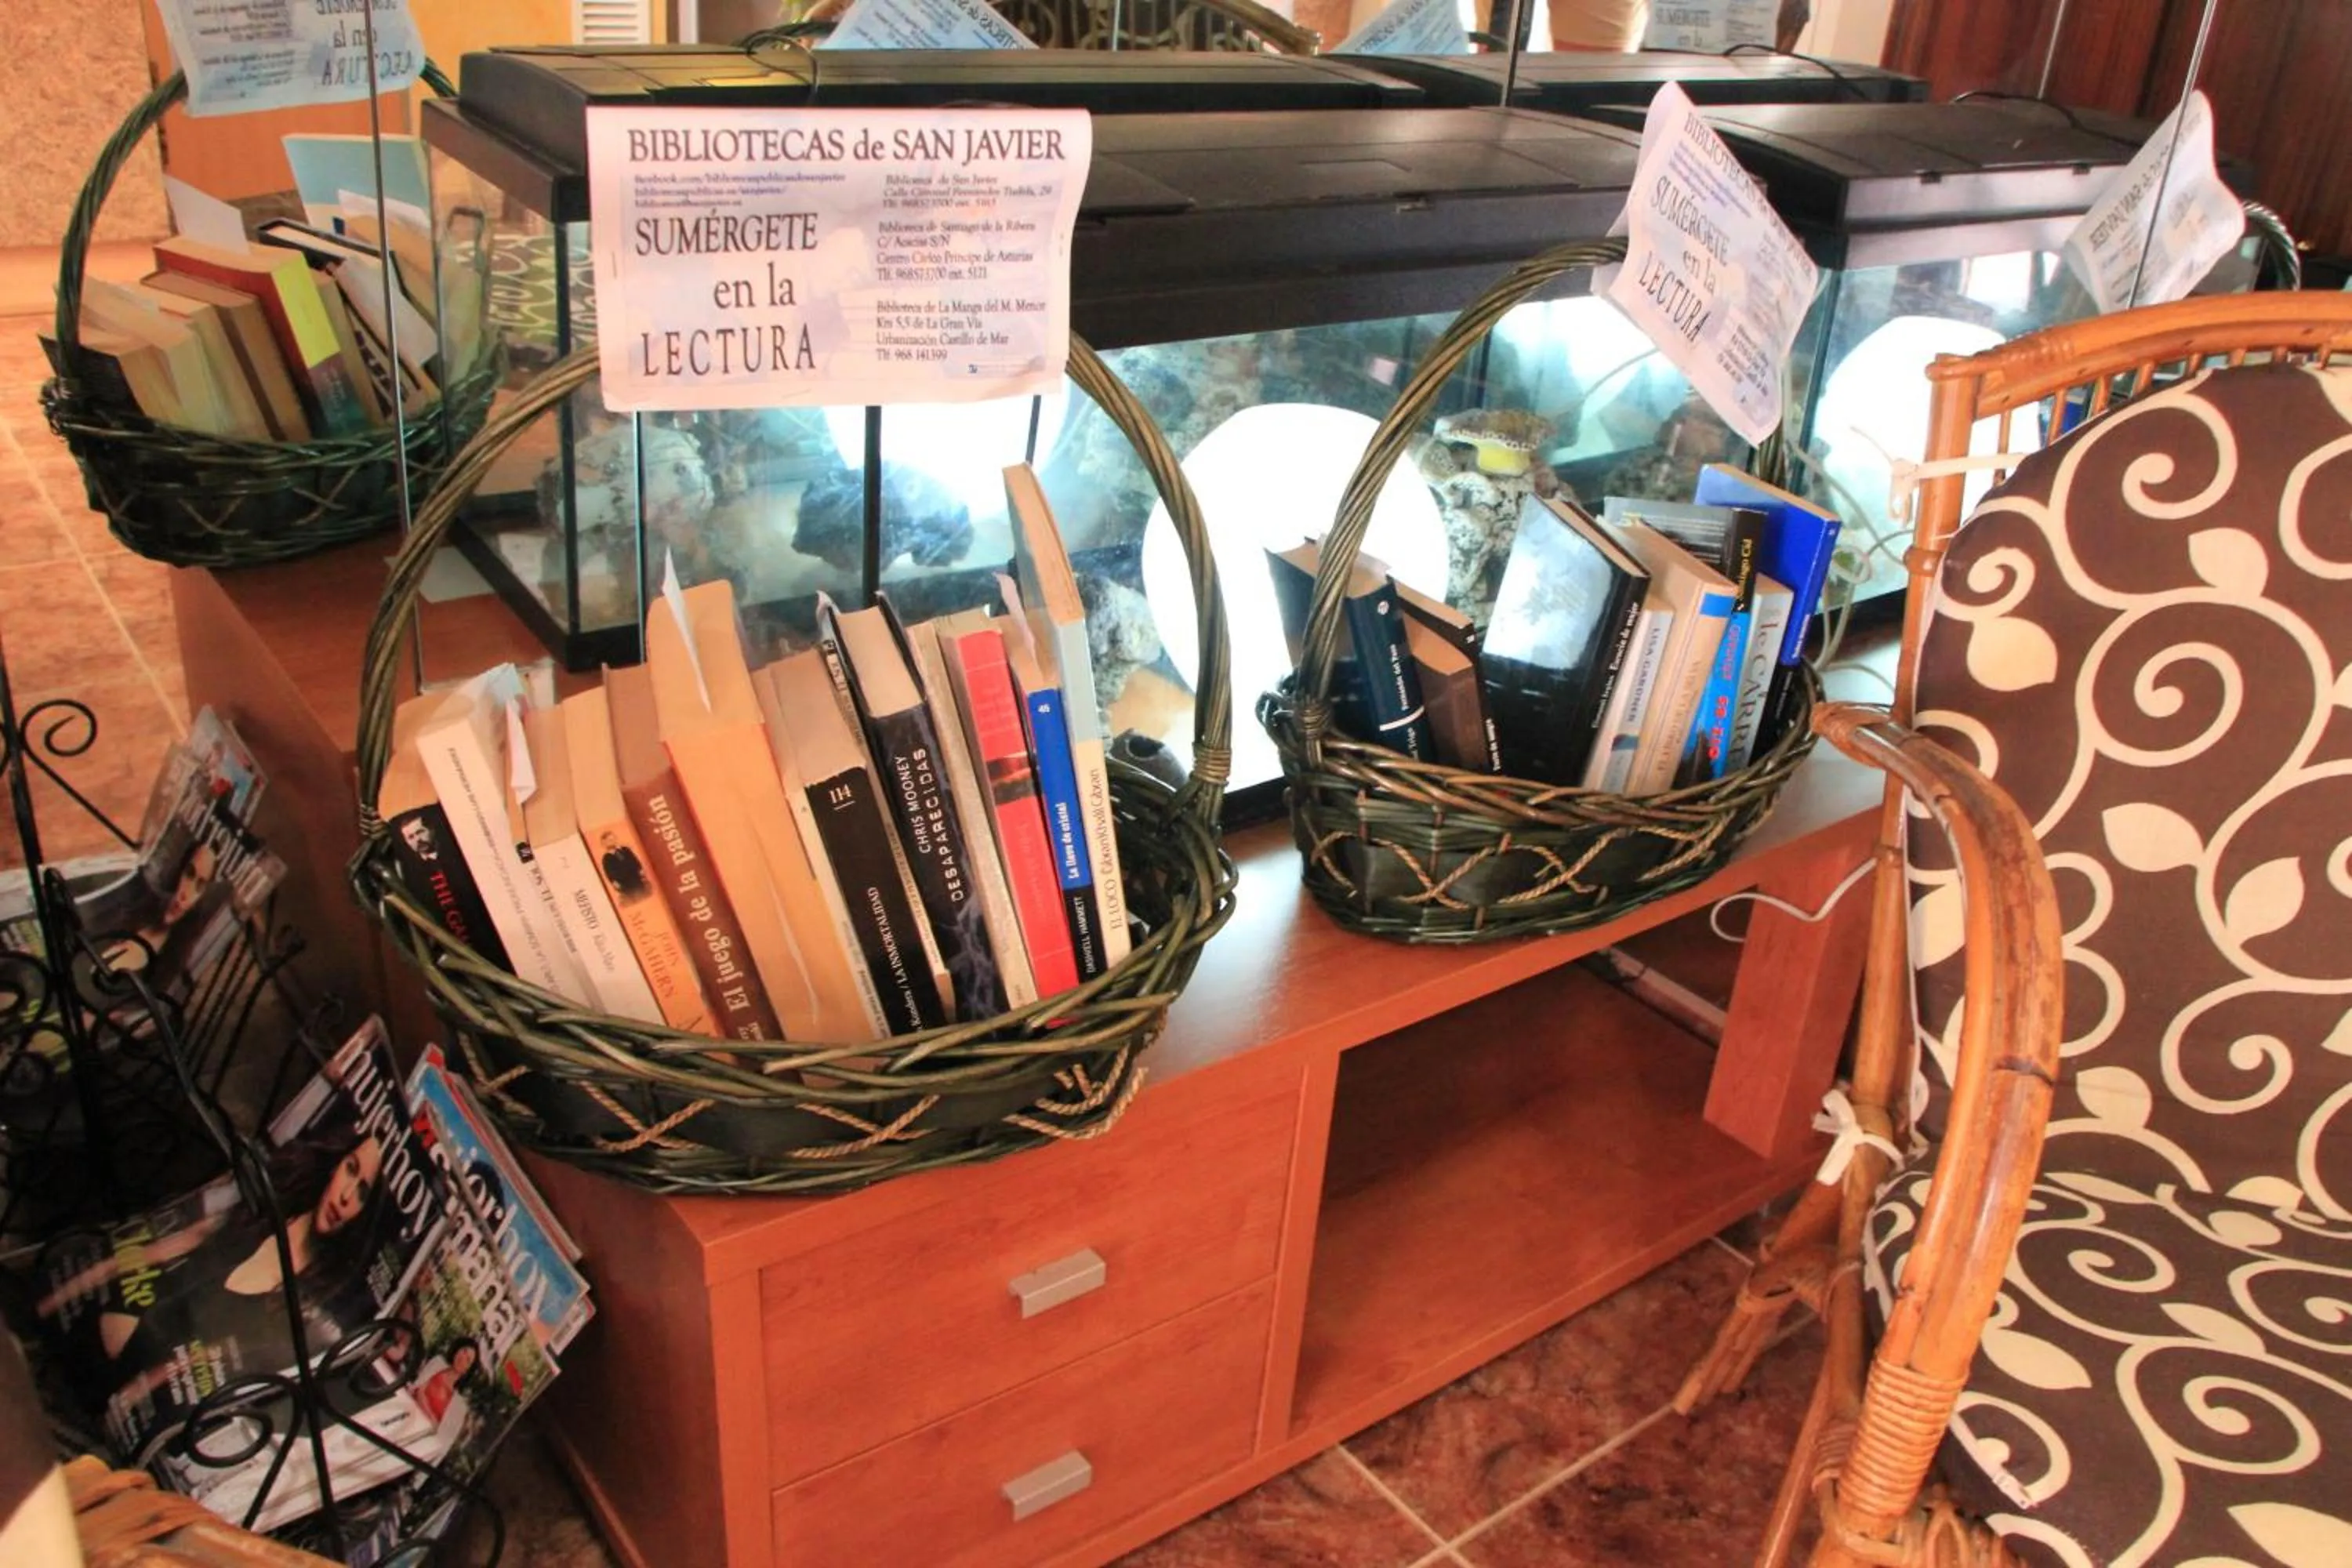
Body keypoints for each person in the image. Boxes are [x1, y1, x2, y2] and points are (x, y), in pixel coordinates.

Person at [34, 1131, 391, 1423]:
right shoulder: (263, 1210)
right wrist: (62, 1295)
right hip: (94, 1328)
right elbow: (158, 1249)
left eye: (363, 1192)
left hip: (123, 1385)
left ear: (366, 1213)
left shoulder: (308, 1292)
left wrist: (134, 1395)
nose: (346, 1196)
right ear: (335, 1165)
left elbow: (208, 1354)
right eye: (350, 1169)